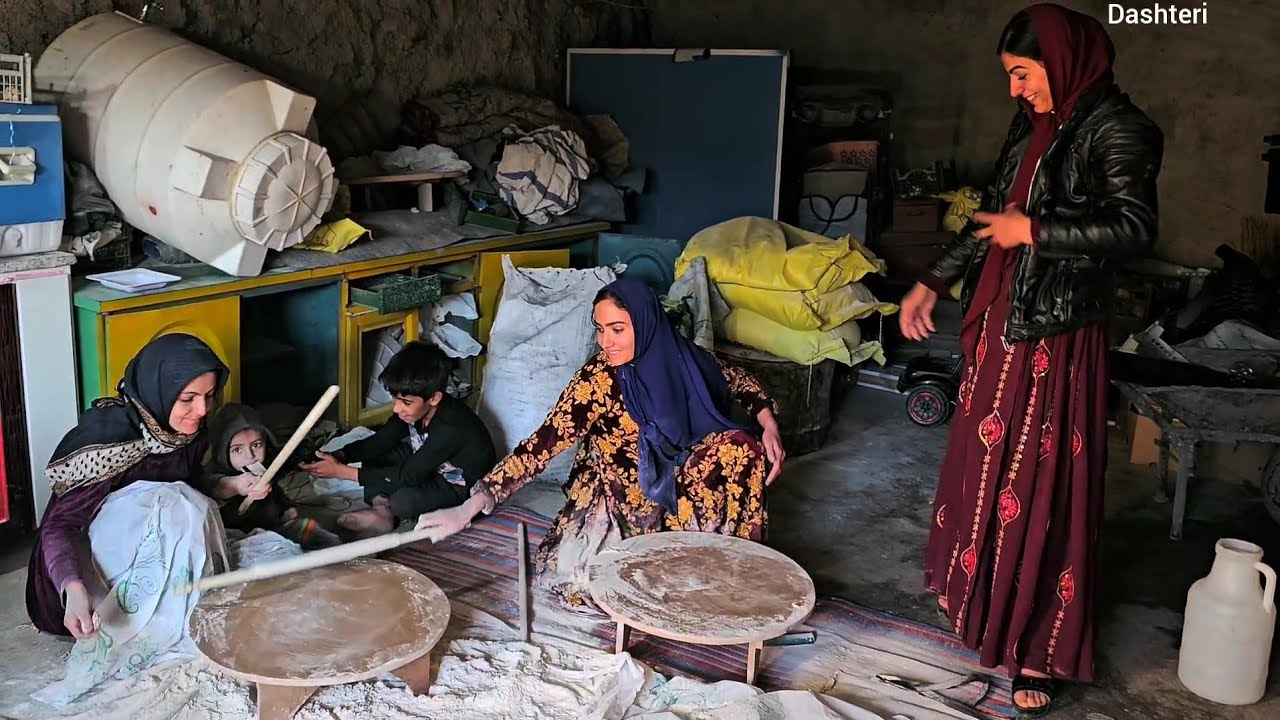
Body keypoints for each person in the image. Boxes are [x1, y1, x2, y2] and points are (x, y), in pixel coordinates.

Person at [898, 5, 1162, 717]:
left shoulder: (1120, 128)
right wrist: (934, 277)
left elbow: (1134, 227)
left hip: (1057, 331)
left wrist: (1035, 229)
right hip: (1005, 318)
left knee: (1042, 479)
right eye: (1011, 77)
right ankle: (983, 610)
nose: (1016, 90)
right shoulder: (1035, 124)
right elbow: (994, 212)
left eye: (1022, 73)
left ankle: (1039, 649)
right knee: (984, 463)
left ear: (1061, 59)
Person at [414, 278, 787, 607]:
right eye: (600, 329)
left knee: (742, 447)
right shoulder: (599, 380)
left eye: (617, 329)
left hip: (677, 475)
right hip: (619, 490)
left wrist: (768, 425)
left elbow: (742, 381)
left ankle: (730, 562)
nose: (605, 341)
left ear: (646, 325)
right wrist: (470, 507)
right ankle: (672, 560)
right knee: (604, 584)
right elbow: (541, 445)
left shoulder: (684, 359)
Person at [24, 334, 242, 702]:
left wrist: (233, 486)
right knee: (173, 502)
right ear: (159, 389)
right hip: (84, 572)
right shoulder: (111, 438)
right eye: (187, 398)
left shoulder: (186, 428)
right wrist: (74, 591)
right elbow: (61, 526)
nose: (202, 410)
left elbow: (192, 485)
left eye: (208, 396)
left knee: (186, 502)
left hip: (146, 543)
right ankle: (138, 610)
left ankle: (167, 602)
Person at [300, 340, 497, 536]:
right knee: (378, 455)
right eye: (395, 399)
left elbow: (408, 476)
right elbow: (380, 441)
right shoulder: (414, 409)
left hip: (457, 483)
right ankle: (381, 510)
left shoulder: (451, 427)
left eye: (405, 402)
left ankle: (389, 508)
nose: (397, 408)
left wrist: (340, 472)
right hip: (427, 462)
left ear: (434, 398)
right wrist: (339, 456)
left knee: (404, 501)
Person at [201, 403, 340, 549]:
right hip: (239, 538)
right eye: (237, 450)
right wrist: (233, 487)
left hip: (273, 528)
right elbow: (214, 495)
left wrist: (286, 507)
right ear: (222, 451)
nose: (250, 456)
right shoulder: (212, 476)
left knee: (319, 534)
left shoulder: (264, 467)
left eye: (256, 445)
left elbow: (276, 493)